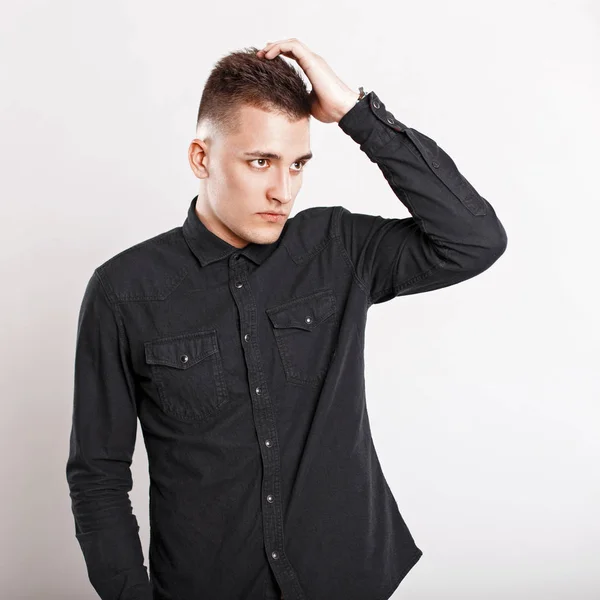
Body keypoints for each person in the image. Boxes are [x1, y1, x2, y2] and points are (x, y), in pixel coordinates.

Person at [66, 38, 507, 600]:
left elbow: (474, 240)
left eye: (298, 164)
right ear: (202, 158)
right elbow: (97, 476)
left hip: (348, 580)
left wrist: (354, 112)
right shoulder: (124, 291)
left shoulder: (337, 247)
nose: (284, 191)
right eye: (260, 162)